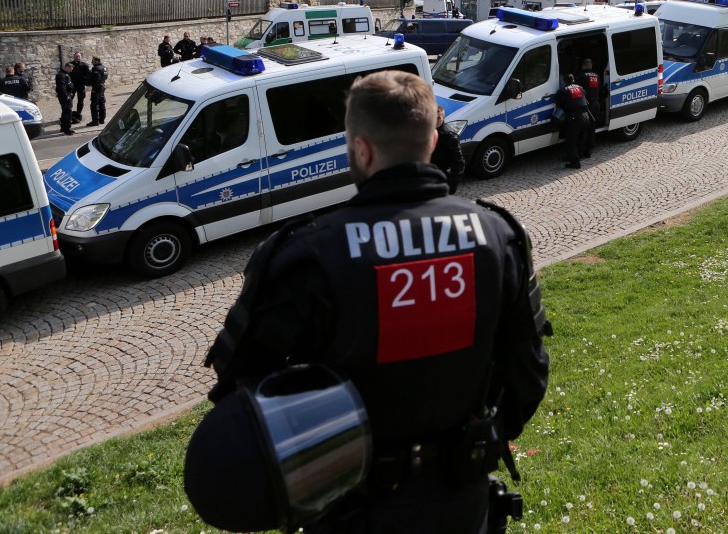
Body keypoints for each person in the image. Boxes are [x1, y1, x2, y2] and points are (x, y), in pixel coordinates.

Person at [194, 70, 550, 532]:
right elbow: (528, 374)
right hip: (463, 501)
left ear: (361, 148)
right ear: (432, 139)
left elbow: (241, 389)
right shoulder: (499, 235)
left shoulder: (307, 254)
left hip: (347, 503)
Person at [555, 73, 590, 169]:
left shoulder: (563, 90)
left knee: (571, 140)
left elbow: (559, 104)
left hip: (574, 117)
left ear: (565, 81)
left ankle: (575, 162)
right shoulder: (580, 88)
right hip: (585, 116)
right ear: (573, 80)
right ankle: (579, 155)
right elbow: (584, 96)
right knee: (581, 138)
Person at [431, 103, 465, 194]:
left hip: (441, 175)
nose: (436, 121)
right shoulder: (427, 130)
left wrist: (451, 188)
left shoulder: (450, 136)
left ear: (443, 118)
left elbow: (458, 164)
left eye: (438, 118)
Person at [579, 58, 602, 159]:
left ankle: (581, 150)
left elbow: (579, 90)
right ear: (591, 65)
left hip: (586, 105)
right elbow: (600, 90)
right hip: (596, 104)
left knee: (583, 128)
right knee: (592, 127)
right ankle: (589, 151)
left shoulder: (581, 76)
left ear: (583, 65)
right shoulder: (597, 76)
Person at [54, 62, 75, 135]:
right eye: (71, 69)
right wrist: (66, 96)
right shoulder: (61, 75)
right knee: (67, 112)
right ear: (67, 67)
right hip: (65, 96)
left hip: (67, 95)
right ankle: (67, 128)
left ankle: (63, 127)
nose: (71, 71)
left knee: (65, 112)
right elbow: (62, 87)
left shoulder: (65, 74)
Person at [69, 51, 90, 123]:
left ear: (81, 57)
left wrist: (87, 82)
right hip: (72, 85)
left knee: (81, 100)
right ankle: (69, 114)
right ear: (74, 57)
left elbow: (88, 75)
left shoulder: (84, 65)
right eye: (76, 56)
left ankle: (78, 114)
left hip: (81, 85)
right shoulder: (70, 65)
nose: (77, 57)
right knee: (69, 100)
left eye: (79, 56)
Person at [87, 56, 108, 126]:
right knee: (102, 103)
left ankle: (95, 121)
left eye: (92, 61)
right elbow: (106, 77)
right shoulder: (104, 67)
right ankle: (102, 120)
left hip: (97, 88)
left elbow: (96, 79)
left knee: (94, 104)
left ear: (96, 61)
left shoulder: (95, 68)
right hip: (102, 87)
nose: (91, 62)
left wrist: (93, 87)